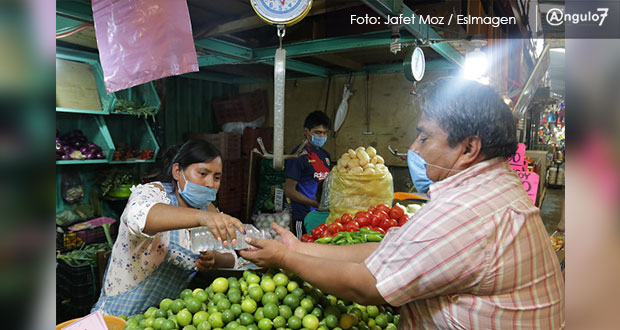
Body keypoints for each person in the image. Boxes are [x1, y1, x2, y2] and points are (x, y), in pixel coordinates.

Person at [241, 78, 565, 329]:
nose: (415, 148)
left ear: (468, 149)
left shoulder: (466, 212)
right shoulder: (492, 189)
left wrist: (286, 257)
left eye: (424, 137)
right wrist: (299, 250)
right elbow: (389, 250)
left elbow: (365, 287)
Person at [92, 139, 245, 316]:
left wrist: (214, 259)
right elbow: (137, 218)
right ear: (177, 171)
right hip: (117, 316)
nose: (211, 184)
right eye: (203, 173)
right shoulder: (154, 194)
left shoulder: (209, 210)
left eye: (217, 177)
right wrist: (202, 218)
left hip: (164, 320)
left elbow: (232, 257)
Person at [285, 111, 332, 239]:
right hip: (303, 215)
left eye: (324, 133)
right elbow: (289, 191)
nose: (322, 136)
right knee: (303, 248)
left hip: (322, 215)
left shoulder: (325, 155)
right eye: (317, 132)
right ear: (306, 131)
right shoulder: (297, 156)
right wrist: (313, 203)